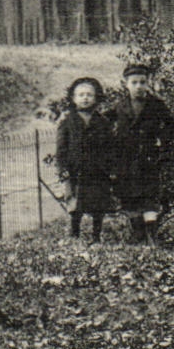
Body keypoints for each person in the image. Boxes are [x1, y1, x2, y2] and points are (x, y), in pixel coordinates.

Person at [107, 63, 174, 244]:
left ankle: (152, 235)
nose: (139, 86)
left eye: (142, 82)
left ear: (148, 84)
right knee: (129, 195)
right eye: (134, 82)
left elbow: (171, 126)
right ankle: (137, 232)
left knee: (149, 196)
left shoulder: (156, 105)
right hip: (125, 158)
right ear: (126, 84)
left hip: (148, 158)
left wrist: (163, 145)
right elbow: (105, 124)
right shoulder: (120, 106)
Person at [54, 76, 114, 243]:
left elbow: (110, 147)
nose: (85, 98)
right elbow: (61, 148)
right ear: (73, 98)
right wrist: (62, 169)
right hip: (75, 170)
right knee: (75, 204)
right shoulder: (67, 122)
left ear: (96, 98)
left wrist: (110, 167)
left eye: (89, 94)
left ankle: (96, 236)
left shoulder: (103, 122)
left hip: (98, 171)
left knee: (98, 204)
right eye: (81, 95)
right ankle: (74, 234)